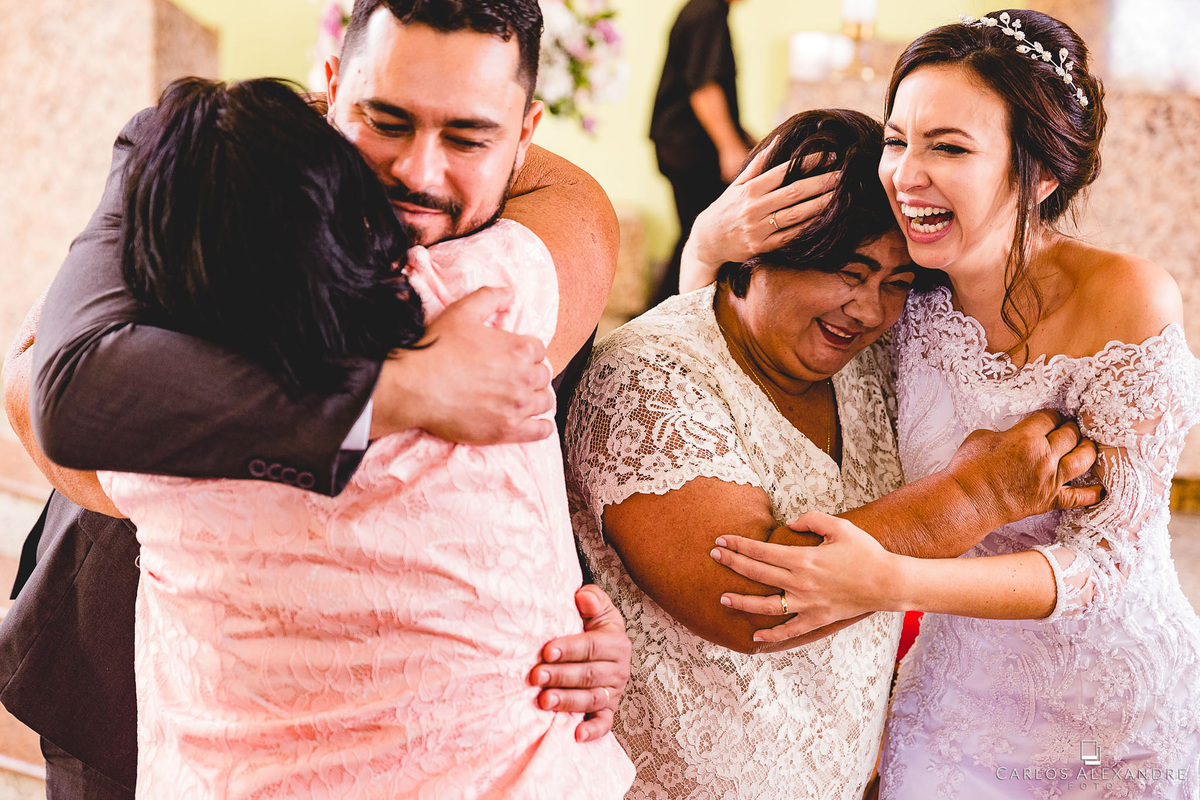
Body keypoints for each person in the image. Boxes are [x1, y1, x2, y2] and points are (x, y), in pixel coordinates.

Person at [3, 0, 630, 795]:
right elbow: (50, 388)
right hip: (132, 652)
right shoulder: (212, 175)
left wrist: (553, 619)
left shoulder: (544, 228)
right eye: (385, 120)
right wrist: (394, 390)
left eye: (468, 138)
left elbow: (509, 486)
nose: (419, 174)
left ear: (525, 134)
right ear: (331, 90)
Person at [705, 10, 1200, 798]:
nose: (904, 174)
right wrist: (707, 247)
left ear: (1038, 174)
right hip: (956, 711)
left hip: (1119, 720)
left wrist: (890, 581)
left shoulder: (1126, 300)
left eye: (949, 147)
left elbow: (1107, 563)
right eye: (898, 140)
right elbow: (743, 367)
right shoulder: (900, 301)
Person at [566, 107, 1102, 799]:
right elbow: (749, 600)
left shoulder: (871, 364)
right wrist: (979, 495)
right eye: (848, 271)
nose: (870, 311)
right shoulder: (643, 377)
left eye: (896, 282)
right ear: (760, 248)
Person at [648, 0, 754, 306]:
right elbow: (704, 88)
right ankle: (660, 320)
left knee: (692, 236)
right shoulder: (709, 11)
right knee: (700, 239)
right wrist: (730, 146)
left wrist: (744, 137)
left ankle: (661, 318)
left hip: (682, 143)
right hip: (690, 146)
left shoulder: (701, 9)